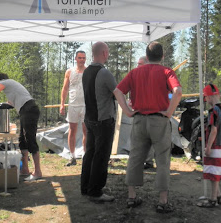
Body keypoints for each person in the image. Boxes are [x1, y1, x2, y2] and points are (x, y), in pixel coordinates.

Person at [114, 41, 182, 213]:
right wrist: (169, 112)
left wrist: (128, 112)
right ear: (162, 56)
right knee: (162, 159)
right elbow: (178, 92)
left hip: (139, 119)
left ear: (147, 54)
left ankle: (131, 196)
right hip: (159, 120)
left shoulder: (135, 72)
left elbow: (117, 91)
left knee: (135, 157)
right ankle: (163, 201)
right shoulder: (167, 72)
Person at [0, 73, 43, 181]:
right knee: (22, 140)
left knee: (30, 140)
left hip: (29, 110)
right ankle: (25, 169)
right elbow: (9, 104)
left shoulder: (4, 82)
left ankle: (38, 172)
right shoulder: (13, 88)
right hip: (26, 110)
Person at [81, 41, 117, 203]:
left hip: (90, 119)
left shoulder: (86, 71)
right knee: (101, 156)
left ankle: (86, 187)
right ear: (103, 53)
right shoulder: (104, 73)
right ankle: (95, 191)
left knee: (90, 153)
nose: (108, 55)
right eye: (107, 52)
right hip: (103, 120)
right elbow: (117, 93)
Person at [197, 83, 221, 207]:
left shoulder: (213, 111)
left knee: (213, 173)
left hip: (216, 145)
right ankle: (218, 196)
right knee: (214, 171)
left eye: (206, 98)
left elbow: (214, 130)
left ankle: (213, 200)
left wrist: (208, 146)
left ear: (208, 97)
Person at [59, 50, 87, 166]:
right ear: (75, 59)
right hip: (73, 104)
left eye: (84, 58)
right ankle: (72, 156)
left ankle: (86, 155)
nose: (82, 60)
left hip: (85, 105)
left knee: (86, 131)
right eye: (80, 58)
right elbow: (65, 89)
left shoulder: (88, 71)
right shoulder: (69, 72)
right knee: (72, 130)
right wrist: (62, 104)